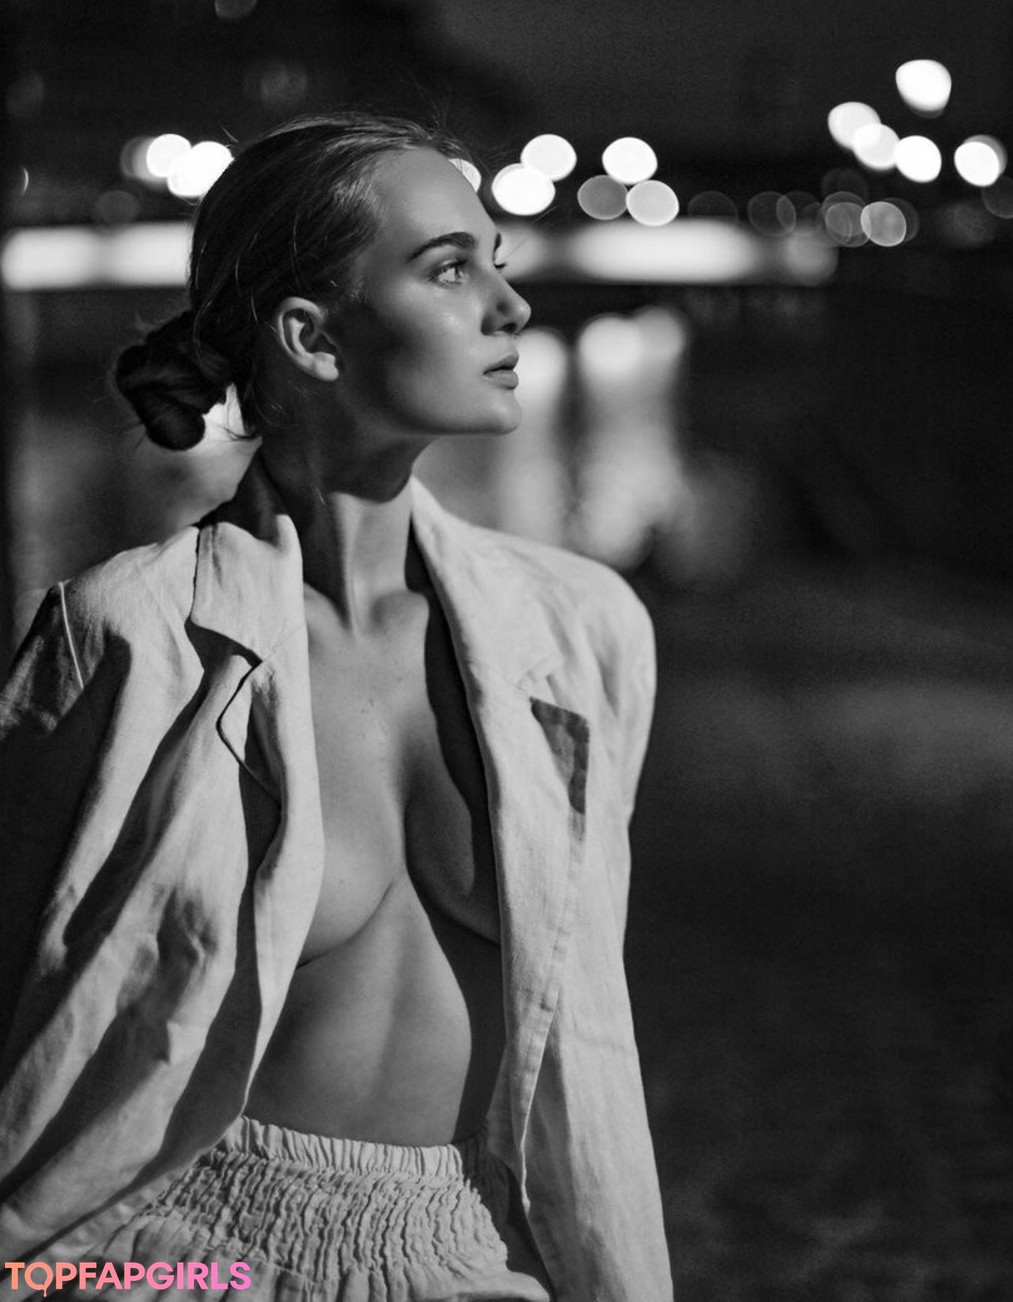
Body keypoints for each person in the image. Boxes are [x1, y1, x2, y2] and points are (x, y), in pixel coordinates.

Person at [0, 112, 672, 1301]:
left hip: (478, 1248)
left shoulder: (581, 633)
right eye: (450, 270)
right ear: (313, 337)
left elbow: (579, 1023)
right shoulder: (123, 635)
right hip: (181, 1259)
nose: (511, 307)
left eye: (495, 262)